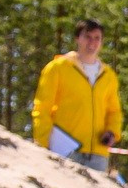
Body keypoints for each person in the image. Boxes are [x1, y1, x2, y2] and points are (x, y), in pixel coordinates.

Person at [32, 18, 123, 173]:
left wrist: (112, 132)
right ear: (77, 38)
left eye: (97, 38)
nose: (92, 43)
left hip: (98, 154)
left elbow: (114, 111)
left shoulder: (109, 75)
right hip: (65, 150)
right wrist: (42, 142)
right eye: (87, 37)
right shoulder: (57, 68)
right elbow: (42, 107)